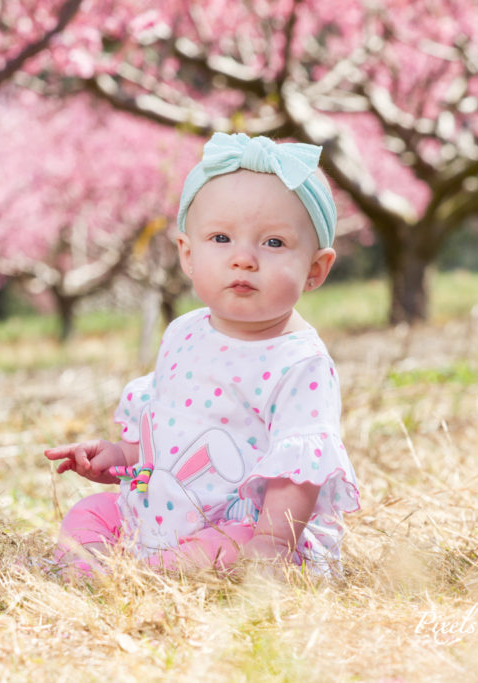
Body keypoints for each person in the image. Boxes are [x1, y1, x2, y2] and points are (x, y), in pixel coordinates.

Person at [44, 132, 359, 577]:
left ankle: (149, 575)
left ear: (315, 269)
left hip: (247, 526)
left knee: (225, 548)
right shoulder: (183, 332)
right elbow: (168, 431)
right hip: (163, 514)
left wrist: (271, 545)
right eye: (221, 238)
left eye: (273, 243)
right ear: (188, 255)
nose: (244, 259)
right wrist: (119, 457)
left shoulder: (299, 363)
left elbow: (297, 475)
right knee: (92, 513)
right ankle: (88, 574)